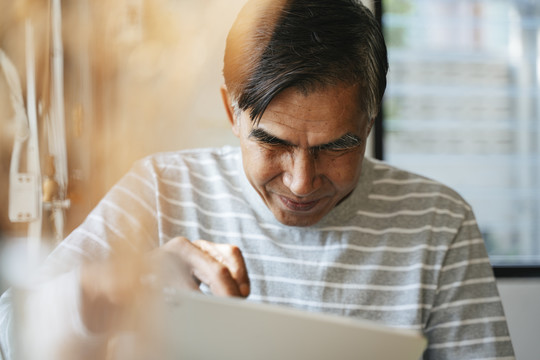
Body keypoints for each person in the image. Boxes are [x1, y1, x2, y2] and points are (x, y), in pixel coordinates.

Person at [0, 0, 515, 359]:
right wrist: (117, 285)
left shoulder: (438, 221)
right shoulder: (159, 190)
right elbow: (11, 334)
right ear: (231, 112)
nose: (301, 182)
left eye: (337, 146)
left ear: (369, 121)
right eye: (272, 143)